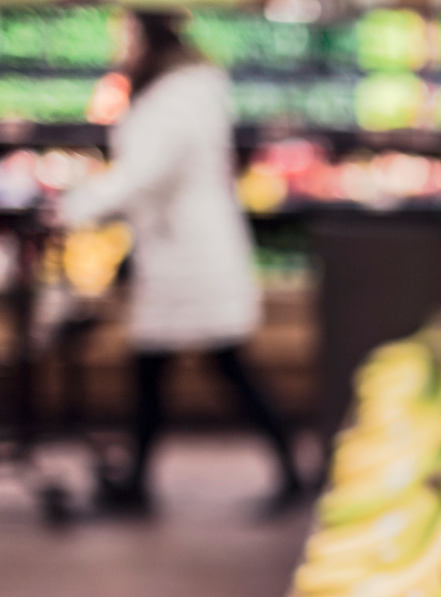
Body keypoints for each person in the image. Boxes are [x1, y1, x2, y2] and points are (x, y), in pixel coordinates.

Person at [55, 10, 304, 515]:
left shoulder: (177, 97)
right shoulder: (185, 90)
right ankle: (140, 482)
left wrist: (77, 205)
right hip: (176, 248)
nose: (120, 46)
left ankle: (288, 471)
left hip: (189, 253)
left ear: (148, 36)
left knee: (221, 364)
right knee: (156, 367)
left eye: (125, 35)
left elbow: (146, 173)